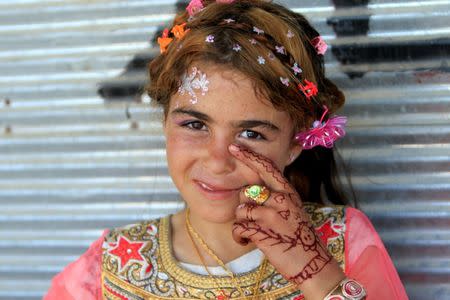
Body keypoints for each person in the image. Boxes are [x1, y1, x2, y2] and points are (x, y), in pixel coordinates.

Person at [45, 1, 408, 299]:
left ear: (296, 143)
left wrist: (315, 272)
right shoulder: (105, 270)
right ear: (165, 122)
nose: (218, 161)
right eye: (195, 125)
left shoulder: (343, 240)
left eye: (251, 133)